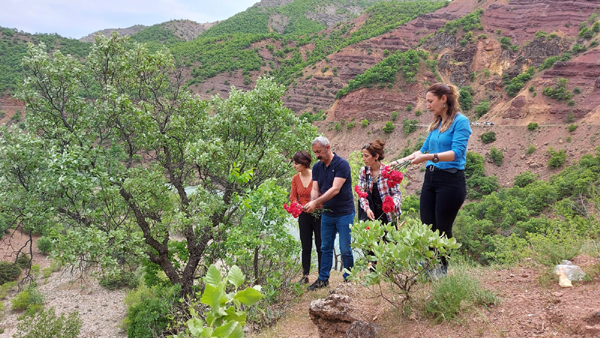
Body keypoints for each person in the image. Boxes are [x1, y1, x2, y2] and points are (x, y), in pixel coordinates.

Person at [391, 83, 472, 275]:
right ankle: (428, 267)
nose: (427, 106)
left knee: (443, 228)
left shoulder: (461, 122)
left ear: (443, 99)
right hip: (431, 179)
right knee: (427, 225)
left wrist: (427, 158)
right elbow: (423, 149)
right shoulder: (436, 124)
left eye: (430, 101)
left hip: (451, 181)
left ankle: (441, 270)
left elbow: (456, 153)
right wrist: (399, 161)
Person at [304, 136, 355, 290]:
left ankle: (348, 279)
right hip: (327, 213)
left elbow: (335, 189)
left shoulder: (342, 164)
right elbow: (315, 188)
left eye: (319, 151)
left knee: (345, 248)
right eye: (315, 153)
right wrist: (313, 202)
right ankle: (323, 279)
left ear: (328, 147)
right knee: (325, 247)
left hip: (344, 212)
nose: (317, 155)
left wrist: (315, 202)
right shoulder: (318, 167)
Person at [290, 151, 322, 284]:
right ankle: (305, 275)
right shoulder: (295, 179)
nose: (294, 166)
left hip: (318, 213)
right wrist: (297, 206)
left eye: (296, 163)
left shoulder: (317, 176)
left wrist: (314, 204)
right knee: (306, 245)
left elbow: (323, 193)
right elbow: (293, 197)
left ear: (304, 163)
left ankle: (322, 275)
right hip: (303, 215)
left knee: (320, 245)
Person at [357, 140, 402, 224]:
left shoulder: (389, 172)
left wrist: (392, 205)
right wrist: (367, 209)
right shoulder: (364, 171)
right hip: (371, 213)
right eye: (363, 156)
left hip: (387, 214)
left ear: (376, 156)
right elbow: (361, 193)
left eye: (366, 156)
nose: (363, 159)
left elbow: (397, 193)